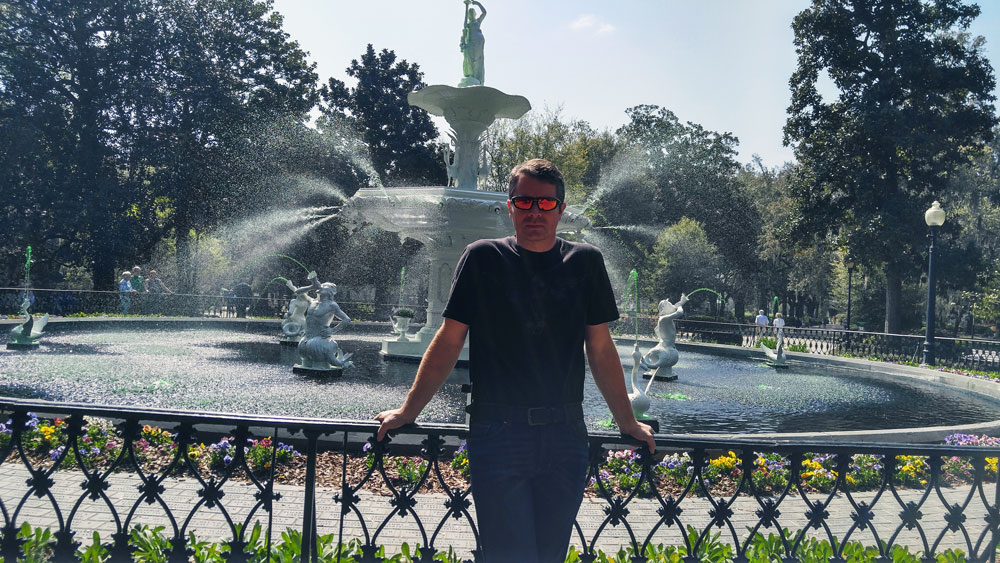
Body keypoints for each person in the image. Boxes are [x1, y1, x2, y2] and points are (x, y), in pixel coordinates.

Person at [375, 158, 655, 562]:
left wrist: (626, 421)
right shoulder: (482, 258)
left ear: (560, 209)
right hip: (498, 432)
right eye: (524, 202)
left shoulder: (585, 262)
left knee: (550, 554)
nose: (534, 212)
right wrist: (408, 410)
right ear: (509, 206)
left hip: (565, 433)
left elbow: (600, 348)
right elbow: (449, 340)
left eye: (545, 203)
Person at [459, 0, 487, 85]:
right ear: (468, 16)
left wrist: (477, 3)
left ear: (474, 14)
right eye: (469, 13)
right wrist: (462, 42)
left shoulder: (477, 21)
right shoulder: (467, 25)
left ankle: (476, 77)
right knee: (467, 55)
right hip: (470, 43)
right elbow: (464, 34)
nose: (471, 14)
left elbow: (484, 12)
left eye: (472, 13)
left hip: (478, 43)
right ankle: (470, 74)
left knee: (477, 60)